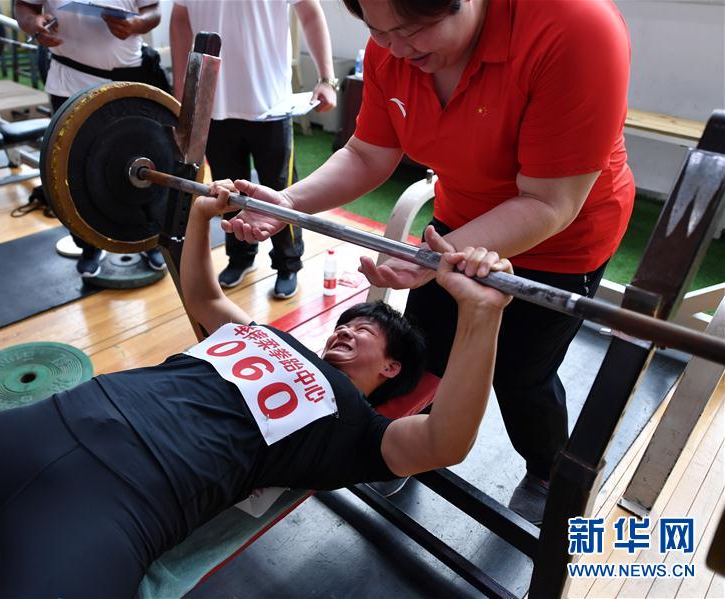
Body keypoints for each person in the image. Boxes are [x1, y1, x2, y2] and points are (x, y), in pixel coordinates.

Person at [0, 180, 513, 597]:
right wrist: (203, 216)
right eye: (345, 322)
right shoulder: (265, 338)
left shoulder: (355, 429)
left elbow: (443, 441)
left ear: (391, 370)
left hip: (119, 503)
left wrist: (480, 316)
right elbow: (203, 295)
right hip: (42, 426)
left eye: (366, 332)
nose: (347, 332)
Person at [223, 0, 634, 523]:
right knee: (422, 350)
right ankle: (413, 444)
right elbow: (368, 153)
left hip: (558, 241)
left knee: (520, 374)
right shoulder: (393, 43)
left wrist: (431, 259)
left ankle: (547, 470)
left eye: (412, 29)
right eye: (378, 31)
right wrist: (290, 202)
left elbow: (548, 202)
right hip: (457, 226)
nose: (396, 49)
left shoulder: (575, 29)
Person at [170, 0, 338, 299]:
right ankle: (240, 257)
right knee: (227, 191)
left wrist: (326, 79)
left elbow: (310, 12)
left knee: (279, 190)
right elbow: (180, 18)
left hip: (271, 105)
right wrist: (182, 83)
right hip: (214, 104)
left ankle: (288, 263)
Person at [15, 0, 170, 277]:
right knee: (73, 172)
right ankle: (89, 245)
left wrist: (136, 24)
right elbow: (25, 6)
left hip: (129, 80)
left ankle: (149, 238)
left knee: (145, 165)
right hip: (68, 81)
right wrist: (32, 25)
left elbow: (153, 11)